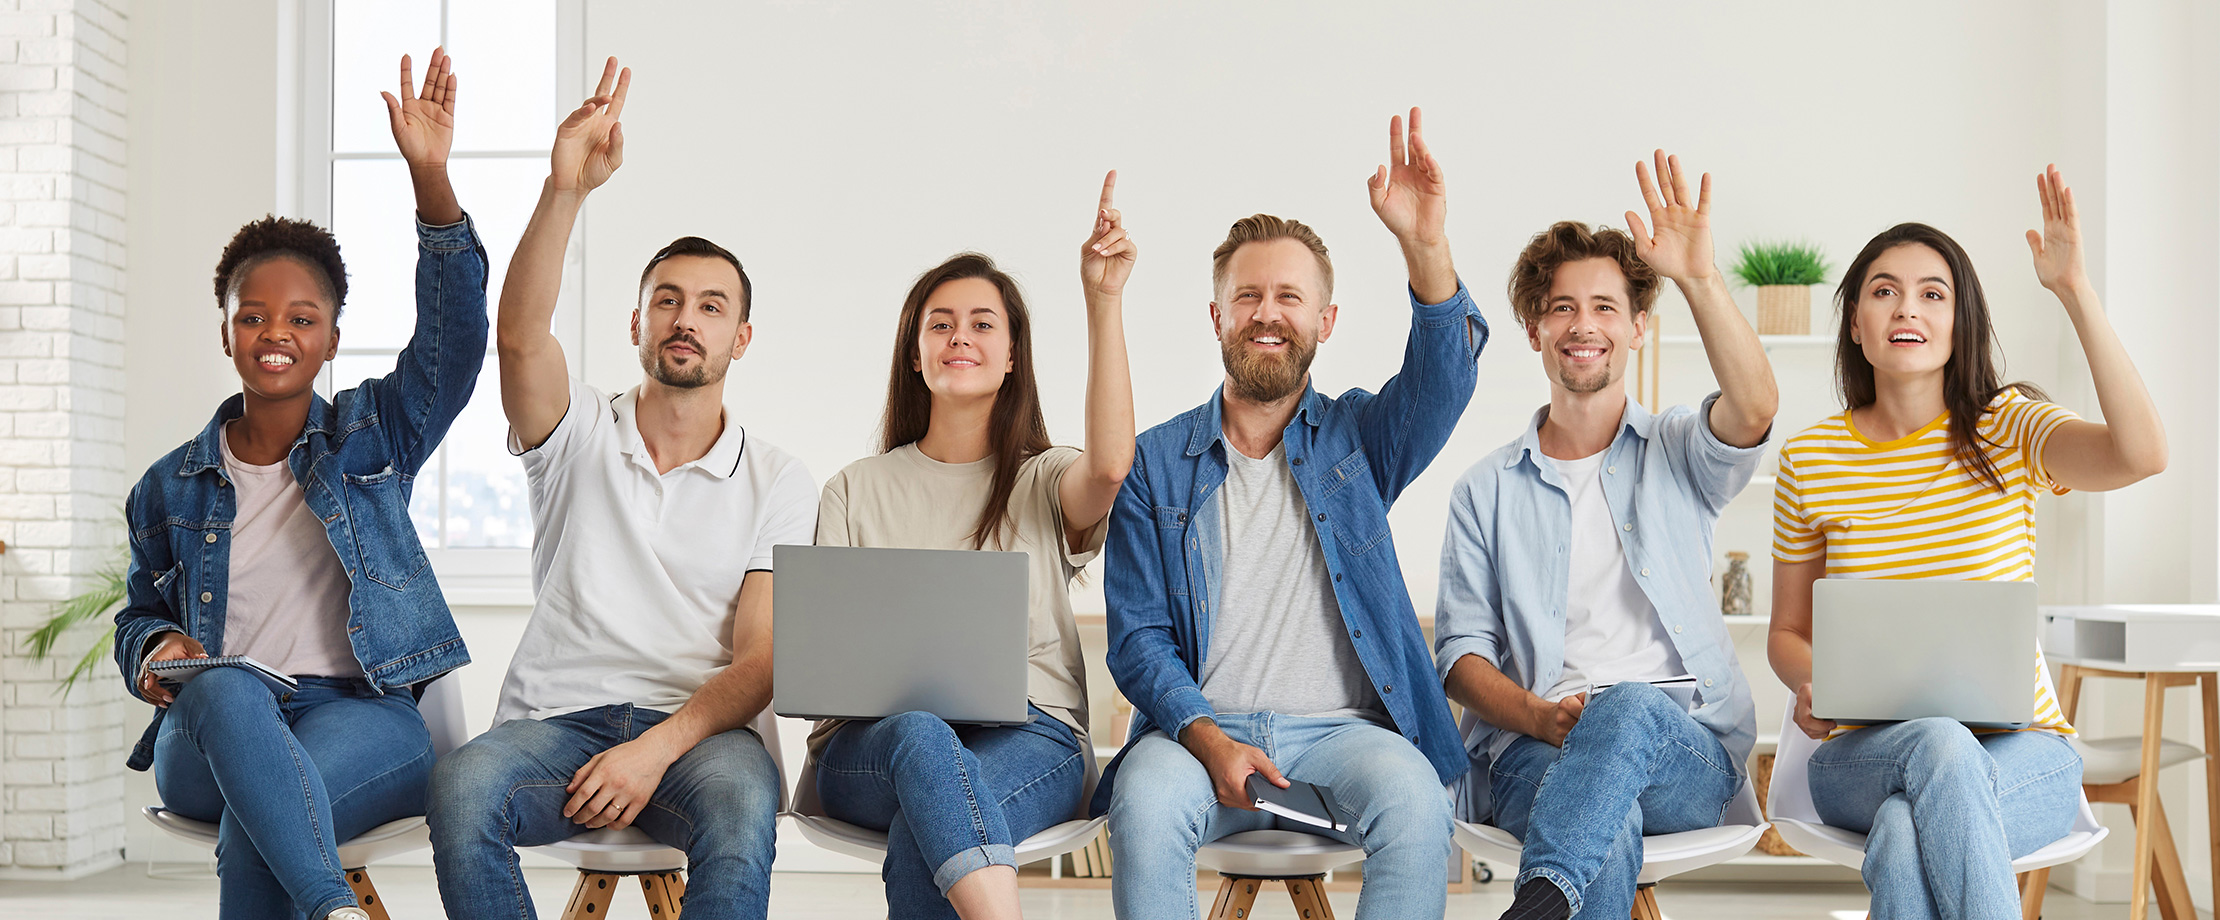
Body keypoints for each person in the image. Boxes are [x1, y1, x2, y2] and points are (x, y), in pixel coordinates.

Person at [425, 59, 815, 920]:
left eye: (712, 307)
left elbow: (763, 660)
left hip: (703, 737)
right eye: (668, 301)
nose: (687, 319)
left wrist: (655, 750)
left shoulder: (781, 480)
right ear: (637, 324)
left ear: (740, 337)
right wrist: (565, 190)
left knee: (743, 812)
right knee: (460, 789)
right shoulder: (578, 433)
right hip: (555, 723)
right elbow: (521, 339)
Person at [112, 49, 483, 920]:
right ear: (226, 332)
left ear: (332, 339)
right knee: (229, 689)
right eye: (253, 316)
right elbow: (139, 614)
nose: (274, 332)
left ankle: (326, 911)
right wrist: (152, 652)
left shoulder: (373, 437)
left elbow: (457, 340)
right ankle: (334, 908)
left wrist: (430, 178)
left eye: (301, 318)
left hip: (361, 716)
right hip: (212, 724)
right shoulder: (167, 488)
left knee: (267, 812)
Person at [1099, 108, 1486, 920]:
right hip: (1194, 730)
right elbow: (1136, 640)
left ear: (1324, 321)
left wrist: (1425, 246)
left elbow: (1445, 380)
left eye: (1288, 297)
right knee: (1143, 806)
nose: (1266, 314)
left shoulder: (1361, 439)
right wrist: (1207, 738)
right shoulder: (1154, 462)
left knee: (1419, 805)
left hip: (1345, 731)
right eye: (1247, 297)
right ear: (1216, 318)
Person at [1768, 166, 2165, 919]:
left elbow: (2142, 454)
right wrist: (1812, 680)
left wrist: (2075, 290)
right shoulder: (1811, 457)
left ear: (1961, 322)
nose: (1906, 308)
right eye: (1883, 291)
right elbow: (1787, 634)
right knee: (1940, 746)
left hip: (2025, 752)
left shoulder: (2009, 428)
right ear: (1855, 321)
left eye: (1932, 293)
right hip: (1864, 754)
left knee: (1901, 831)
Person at [1434, 152, 1776, 920]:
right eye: (1562, 308)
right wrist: (1537, 716)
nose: (1583, 325)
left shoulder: (1682, 454)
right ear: (1533, 331)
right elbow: (1460, 657)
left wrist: (1697, 277)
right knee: (1604, 821)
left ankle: (1536, 904)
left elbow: (1754, 409)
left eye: (1605, 307)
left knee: (1623, 710)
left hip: (1685, 750)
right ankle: (1548, 902)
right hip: (1531, 749)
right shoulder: (1484, 490)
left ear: (1639, 329)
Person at [803, 172, 1136, 920]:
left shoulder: (1045, 479)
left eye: (984, 324)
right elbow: (824, 667)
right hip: (872, 750)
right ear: (914, 355)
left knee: (930, 831)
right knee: (922, 741)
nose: (961, 336)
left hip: (1033, 734)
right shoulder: (853, 490)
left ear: (1013, 355)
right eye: (941, 323)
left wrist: (1103, 301)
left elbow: (1112, 467)